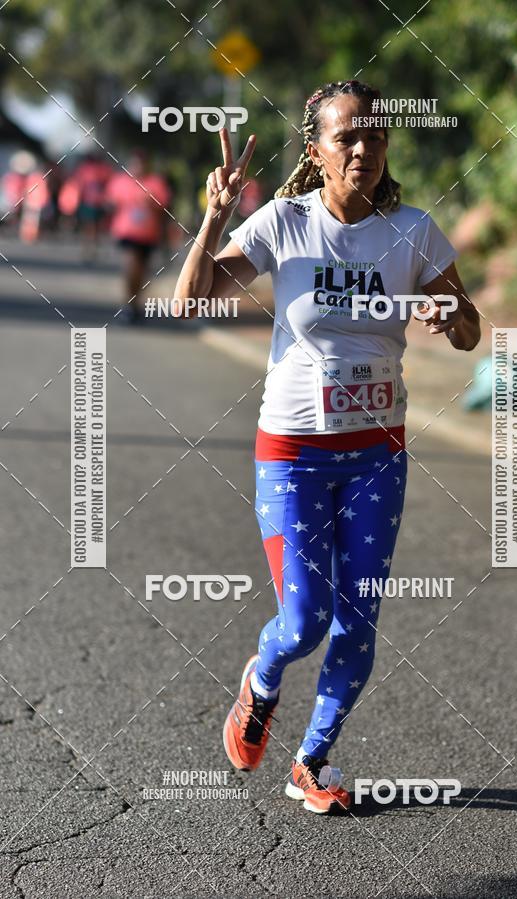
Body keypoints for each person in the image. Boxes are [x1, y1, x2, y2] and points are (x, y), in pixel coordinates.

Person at [172, 79, 480, 814]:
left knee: (359, 617)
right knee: (305, 617)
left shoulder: (413, 230)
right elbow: (190, 299)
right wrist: (213, 220)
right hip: (293, 453)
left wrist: (452, 312)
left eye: (375, 136)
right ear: (315, 150)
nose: (365, 149)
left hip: (378, 454)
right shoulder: (284, 223)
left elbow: (470, 332)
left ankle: (312, 760)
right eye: (348, 137)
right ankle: (264, 678)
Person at [106, 149, 171, 324]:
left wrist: (151, 204)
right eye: (135, 164)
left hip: (149, 234)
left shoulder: (156, 183)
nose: (138, 168)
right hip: (127, 232)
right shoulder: (121, 182)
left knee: (142, 271)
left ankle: (135, 303)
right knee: (131, 264)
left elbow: (164, 207)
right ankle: (129, 303)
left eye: (141, 164)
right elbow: (111, 202)